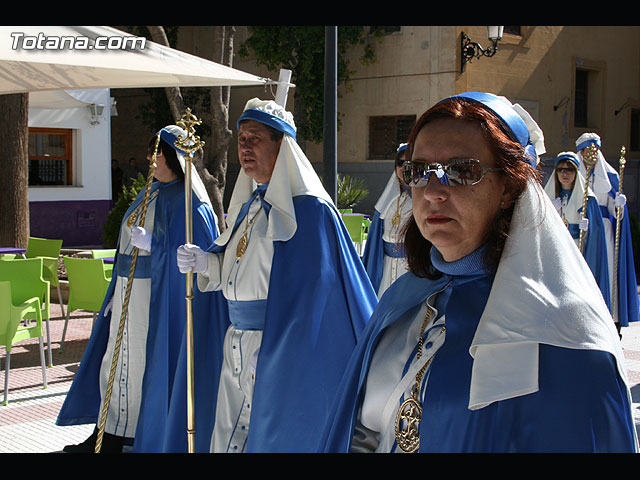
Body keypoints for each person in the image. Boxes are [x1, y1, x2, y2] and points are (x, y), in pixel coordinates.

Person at [320, 92, 637, 453]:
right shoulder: (402, 299)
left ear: (508, 186)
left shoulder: (563, 332)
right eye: (419, 171)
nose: (434, 192)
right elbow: (360, 431)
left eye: (462, 171)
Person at [172, 98, 377, 453]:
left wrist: (279, 346)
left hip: (276, 345)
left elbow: (317, 296)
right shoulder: (249, 206)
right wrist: (206, 264)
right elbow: (237, 268)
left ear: (282, 146)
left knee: (266, 436)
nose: (245, 147)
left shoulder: (310, 211)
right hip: (236, 338)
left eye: (255, 138)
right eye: (241, 139)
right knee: (228, 433)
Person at [57, 125, 220, 453]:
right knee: (113, 364)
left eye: (156, 152)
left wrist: (155, 244)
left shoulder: (192, 204)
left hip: (156, 300)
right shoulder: (151, 191)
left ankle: (128, 436)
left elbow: (197, 257)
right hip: (128, 294)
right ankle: (106, 431)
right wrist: (117, 288)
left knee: (139, 368)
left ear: (172, 157)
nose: (150, 158)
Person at [576, 133, 639, 335]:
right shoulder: (573, 173)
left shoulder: (610, 177)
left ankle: (610, 318)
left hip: (604, 232)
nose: (591, 156)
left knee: (607, 271)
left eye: (594, 151)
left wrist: (619, 207)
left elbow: (614, 212)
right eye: (587, 151)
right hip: (581, 231)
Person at [544, 151, 610, 307]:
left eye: (569, 169)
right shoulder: (548, 197)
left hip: (578, 249)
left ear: (576, 172)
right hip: (556, 249)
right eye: (560, 169)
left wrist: (586, 229)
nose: (564, 173)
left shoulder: (587, 199)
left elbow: (596, 233)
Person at [362, 143, 412, 298]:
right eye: (400, 163)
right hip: (385, 266)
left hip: (410, 268)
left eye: (409, 164)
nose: (403, 168)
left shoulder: (423, 201)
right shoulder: (387, 200)